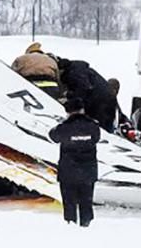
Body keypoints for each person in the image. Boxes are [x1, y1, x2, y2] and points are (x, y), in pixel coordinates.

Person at [49, 98, 100, 227]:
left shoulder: (64, 127)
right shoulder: (93, 126)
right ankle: (86, 225)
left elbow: (53, 136)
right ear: (82, 110)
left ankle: (70, 224)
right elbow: (96, 138)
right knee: (86, 201)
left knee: (69, 202)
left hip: (68, 172)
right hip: (88, 171)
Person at [57, 58, 118, 133]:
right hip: (107, 99)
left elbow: (83, 88)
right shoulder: (82, 69)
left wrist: (70, 98)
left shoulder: (74, 72)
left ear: (62, 70)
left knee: (100, 129)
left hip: (99, 102)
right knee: (106, 127)